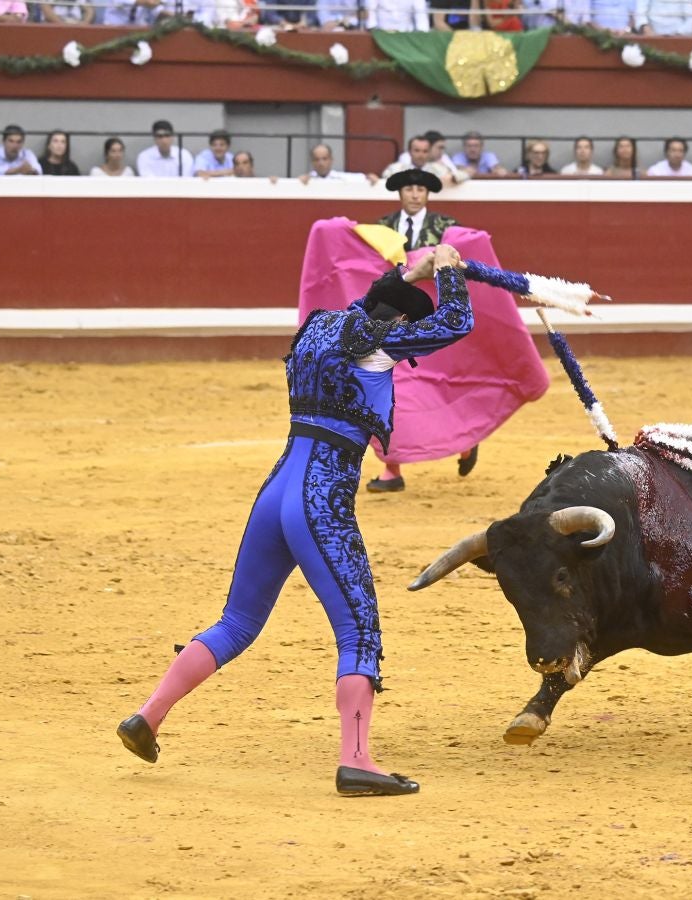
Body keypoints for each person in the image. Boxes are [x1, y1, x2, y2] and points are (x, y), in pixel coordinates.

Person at [118, 244, 473, 797]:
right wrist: (449, 268)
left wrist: (406, 277)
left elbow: (372, 307)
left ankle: (148, 716)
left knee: (237, 622)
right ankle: (356, 759)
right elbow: (459, 321)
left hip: (277, 489)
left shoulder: (321, 328)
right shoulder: (380, 344)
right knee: (358, 629)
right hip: (321, 498)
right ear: (401, 321)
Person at [372, 168, 475, 492]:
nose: (415, 194)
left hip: (432, 313)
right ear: (400, 194)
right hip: (394, 314)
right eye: (409, 189)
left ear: (427, 194)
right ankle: (392, 468)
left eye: (420, 189)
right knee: (390, 385)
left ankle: (465, 438)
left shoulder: (447, 227)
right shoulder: (381, 227)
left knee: (441, 384)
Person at [300, 143, 377, 184]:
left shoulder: (340, 178)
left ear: (331, 160)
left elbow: (363, 178)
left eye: (324, 159)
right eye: (317, 159)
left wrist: (369, 177)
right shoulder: (307, 179)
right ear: (312, 162)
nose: (321, 163)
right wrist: (300, 182)